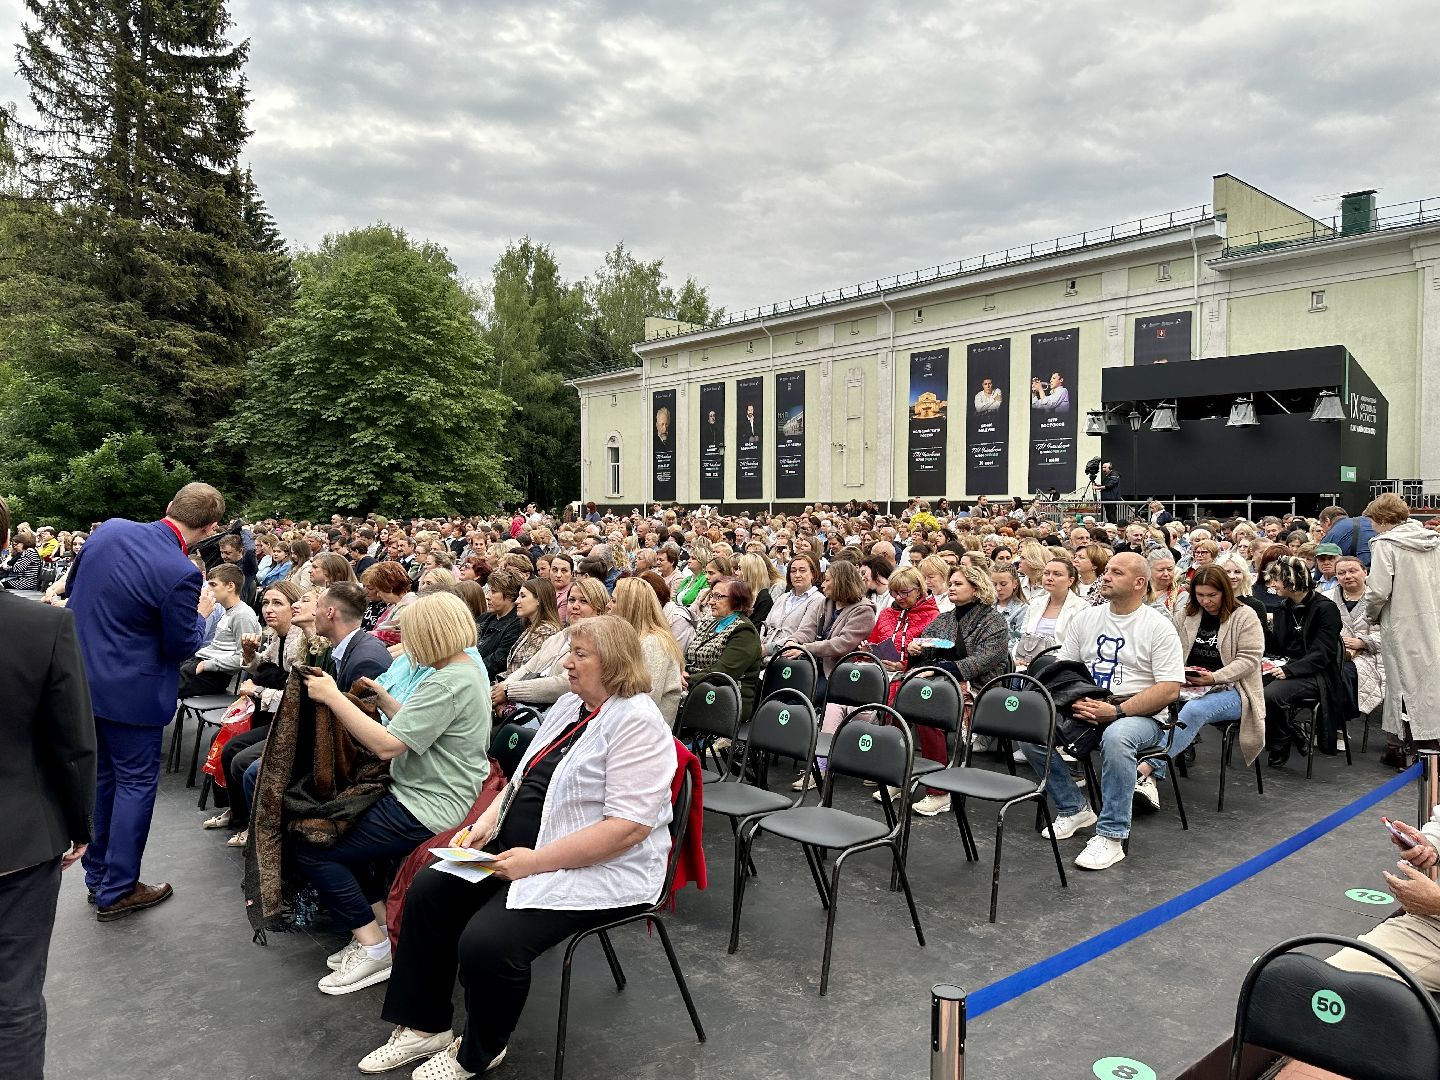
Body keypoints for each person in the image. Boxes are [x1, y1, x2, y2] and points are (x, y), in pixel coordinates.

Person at [358, 615, 676, 1077]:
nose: (566, 663)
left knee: (488, 942)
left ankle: (482, 1050)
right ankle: (425, 1028)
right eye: (570, 651)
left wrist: (535, 863)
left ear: (616, 663)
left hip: (588, 867)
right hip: (517, 850)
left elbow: (628, 829)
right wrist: (487, 823)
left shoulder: (639, 725)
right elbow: (524, 776)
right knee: (429, 889)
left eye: (579, 655)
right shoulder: (572, 707)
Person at [300, 591, 492, 995]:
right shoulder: (462, 670)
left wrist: (334, 697)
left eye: (411, 634)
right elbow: (424, 728)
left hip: (428, 805)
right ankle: (376, 930)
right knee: (337, 836)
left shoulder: (448, 681)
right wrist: (386, 699)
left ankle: (373, 947)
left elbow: (388, 746)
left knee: (314, 844)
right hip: (427, 792)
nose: (404, 643)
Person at [66, 482, 226, 920]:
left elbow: (75, 589)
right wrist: (202, 616)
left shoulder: (109, 530)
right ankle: (117, 888)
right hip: (132, 695)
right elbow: (179, 646)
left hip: (81, 680)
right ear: (211, 528)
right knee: (134, 784)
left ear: (169, 505)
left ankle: (99, 877)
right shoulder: (181, 572)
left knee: (102, 780)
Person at [0, 497, 96, 1079]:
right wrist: (76, 826)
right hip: (19, 839)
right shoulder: (42, 626)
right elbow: (72, 744)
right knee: (12, 999)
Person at [1020, 552, 1184, 871]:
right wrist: (1072, 701)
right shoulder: (1088, 618)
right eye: (1106, 570)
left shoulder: (1158, 626)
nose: (1105, 576)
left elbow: (1169, 690)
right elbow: (1063, 671)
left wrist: (1117, 710)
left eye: (1116, 573)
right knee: (1033, 731)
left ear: (1139, 583)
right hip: (1087, 702)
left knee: (1117, 737)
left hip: (1142, 713)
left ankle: (1111, 836)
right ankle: (1074, 808)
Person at [1131, 566, 1265, 810]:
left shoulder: (1245, 615)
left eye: (1212, 595)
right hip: (1188, 683)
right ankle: (1146, 781)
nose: (1206, 601)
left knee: (1194, 711)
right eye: (1201, 595)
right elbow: (1168, 650)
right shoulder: (1185, 614)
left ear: (1225, 592)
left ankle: (1144, 769)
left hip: (1233, 689)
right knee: (1147, 701)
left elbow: (1249, 659)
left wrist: (1214, 677)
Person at [906, 565, 1011, 816]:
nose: (951, 588)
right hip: (942, 680)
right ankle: (900, 775)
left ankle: (940, 791)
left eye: (958, 584)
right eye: (950, 583)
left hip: (979, 684)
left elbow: (985, 660)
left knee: (928, 704)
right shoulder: (944, 619)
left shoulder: (994, 621)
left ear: (976, 589)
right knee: (900, 693)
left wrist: (939, 670)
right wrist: (916, 651)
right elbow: (926, 647)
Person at [1363, 492, 1440, 755]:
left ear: (1382, 519)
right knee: (1430, 680)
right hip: (1433, 620)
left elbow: (1378, 591)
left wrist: (1370, 615)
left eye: (1373, 520)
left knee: (1402, 682)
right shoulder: (1433, 541)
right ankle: (1430, 740)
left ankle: (1408, 745)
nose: (1371, 526)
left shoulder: (1386, 544)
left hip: (1401, 623)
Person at [1262, 555, 1345, 768]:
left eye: (1276, 580)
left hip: (1318, 674)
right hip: (1286, 666)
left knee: (1271, 695)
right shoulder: (1283, 608)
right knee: (1248, 688)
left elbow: (1323, 653)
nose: (1272, 585)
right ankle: (1293, 732)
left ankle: (1279, 743)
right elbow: (1277, 646)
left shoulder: (1326, 609)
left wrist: (1290, 670)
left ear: (1292, 580)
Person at [177, 563, 261, 697]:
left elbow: (244, 658)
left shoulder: (242, 615)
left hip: (213, 675)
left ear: (230, 586)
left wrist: (206, 665)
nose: (207, 589)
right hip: (201, 663)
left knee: (161, 687)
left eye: (213, 585)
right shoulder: (227, 611)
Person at [684, 575, 763, 719]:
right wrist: (679, 673)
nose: (710, 602)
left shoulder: (745, 632)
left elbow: (722, 673)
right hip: (697, 690)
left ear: (737, 601)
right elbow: (689, 655)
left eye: (718, 597)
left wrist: (685, 681)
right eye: (711, 595)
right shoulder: (711, 622)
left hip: (726, 701)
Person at [612, 576, 684, 725]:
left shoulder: (653, 643)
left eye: (614, 601)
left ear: (628, 607)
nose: (607, 605)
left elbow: (643, 701)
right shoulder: (630, 639)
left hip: (645, 734)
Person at [1016, 558, 1087, 666]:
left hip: (1061, 668)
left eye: (1057, 574)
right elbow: (1022, 636)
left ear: (1070, 581)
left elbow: (1079, 648)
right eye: (1046, 573)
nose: (1050, 578)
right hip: (1028, 666)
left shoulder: (1082, 608)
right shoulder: (1035, 603)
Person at [759, 552, 824, 657]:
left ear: (813, 573)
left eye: (802, 571)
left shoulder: (818, 600)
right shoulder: (783, 597)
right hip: (762, 654)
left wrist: (766, 650)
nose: (797, 575)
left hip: (788, 658)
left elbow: (805, 634)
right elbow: (765, 626)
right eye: (793, 571)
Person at [503, 577, 561, 678]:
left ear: (539, 600)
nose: (517, 601)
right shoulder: (533, 628)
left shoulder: (545, 632)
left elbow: (527, 673)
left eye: (523, 596)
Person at [474, 567, 524, 678]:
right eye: (489, 591)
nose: (487, 596)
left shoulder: (516, 625)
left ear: (510, 594)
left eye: (494, 592)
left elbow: (497, 661)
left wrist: (468, 671)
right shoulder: (485, 617)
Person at [1319, 504, 1375, 568]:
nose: (1323, 531)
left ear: (1327, 521)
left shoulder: (1332, 534)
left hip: (1358, 571)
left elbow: (1320, 567)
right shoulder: (1370, 522)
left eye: (1322, 526)